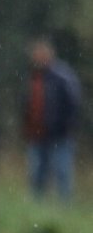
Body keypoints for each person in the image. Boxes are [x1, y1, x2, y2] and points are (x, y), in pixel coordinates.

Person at [22, 37, 82, 200]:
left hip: (60, 136)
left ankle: (64, 212)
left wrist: (63, 127)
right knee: (36, 175)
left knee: (62, 174)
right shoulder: (33, 77)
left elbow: (73, 105)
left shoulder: (62, 77)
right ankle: (36, 212)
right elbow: (26, 105)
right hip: (37, 135)